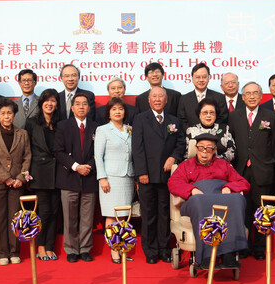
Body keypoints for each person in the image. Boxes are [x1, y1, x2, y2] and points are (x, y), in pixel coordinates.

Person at [168, 134, 250, 269]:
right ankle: (205, 256)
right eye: (201, 148)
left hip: (219, 200)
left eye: (209, 149)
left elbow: (243, 183)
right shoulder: (185, 165)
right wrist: (192, 190)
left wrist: (229, 187)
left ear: (214, 150)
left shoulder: (223, 164)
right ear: (196, 148)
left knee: (238, 199)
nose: (204, 152)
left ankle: (229, 254)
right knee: (200, 201)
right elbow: (173, 183)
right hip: (196, 200)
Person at [132, 87, 185, 264]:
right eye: (153, 96)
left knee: (164, 213)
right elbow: (137, 149)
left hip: (166, 176)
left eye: (160, 96)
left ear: (166, 99)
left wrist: (173, 157)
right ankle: (150, 250)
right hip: (147, 175)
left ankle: (164, 248)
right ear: (148, 100)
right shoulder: (140, 119)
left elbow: (180, 144)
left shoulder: (174, 120)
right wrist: (142, 172)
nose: (157, 99)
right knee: (149, 214)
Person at [229, 82, 275, 260]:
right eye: (247, 93)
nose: (251, 96)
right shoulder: (234, 116)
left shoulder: (270, 116)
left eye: (255, 93)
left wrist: (267, 163)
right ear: (242, 97)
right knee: (242, 209)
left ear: (261, 95)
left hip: (262, 170)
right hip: (240, 171)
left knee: (261, 211)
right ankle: (243, 246)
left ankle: (259, 248)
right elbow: (231, 141)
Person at [0, 98, 31, 265]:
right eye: (3, 113)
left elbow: (27, 158)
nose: (6, 116)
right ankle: (1, 252)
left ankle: (14, 251)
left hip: (17, 183)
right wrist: (6, 178)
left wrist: (19, 178)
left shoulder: (22, 134)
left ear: (14, 115)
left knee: (15, 218)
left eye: (9, 113)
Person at [54, 92, 98, 262]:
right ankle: (71, 249)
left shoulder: (96, 127)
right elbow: (58, 151)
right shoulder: (63, 126)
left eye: (84, 104)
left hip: (89, 176)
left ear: (88, 107)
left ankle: (86, 248)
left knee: (87, 217)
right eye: (77, 104)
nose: (81, 107)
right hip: (69, 177)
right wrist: (76, 166)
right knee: (69, 217)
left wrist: (89, 166)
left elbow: (100, 151)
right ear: (72, 108)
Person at [94, 97, 135, 264]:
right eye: (114, 109)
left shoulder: (130, 129)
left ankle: (123, 246)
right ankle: (114, 250)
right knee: (111, 215)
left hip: (128, 177)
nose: (118, 112)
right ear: (108, 113)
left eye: (120, 109)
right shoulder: (103, 130)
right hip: (110, 179)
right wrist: (102, 177)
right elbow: (98, 156)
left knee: (124, 216)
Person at [25, 89, 61, 261]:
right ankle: (40, 245)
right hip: (39, 171)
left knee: (55, 211)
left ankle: (49, 246)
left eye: (53, 101)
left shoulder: (60, 123)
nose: (50, 104)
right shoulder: (32, 122)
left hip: (57, 172)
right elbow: (27, 148)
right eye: (46, 101)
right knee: (44, 211)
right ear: (41, 103)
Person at [178, 62, 228, 127]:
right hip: (191, 135)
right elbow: (181, 121)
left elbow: (222, 118)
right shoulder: (184, 99)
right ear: (192, 79)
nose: (201, 80)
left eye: (204, 77)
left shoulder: (219, 97)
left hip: (214, 135)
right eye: (198, 77)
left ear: (209, 78)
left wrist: (208, 132)